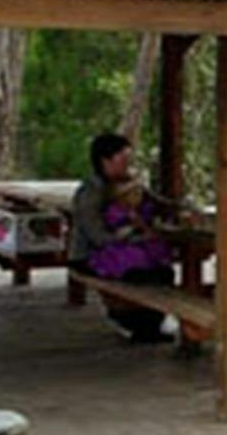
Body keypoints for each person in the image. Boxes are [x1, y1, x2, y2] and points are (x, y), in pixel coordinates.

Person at [69, 132, 177, 344]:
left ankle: (148, 326)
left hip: (124, 248)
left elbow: (159, 203)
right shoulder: (91, 192)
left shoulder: (127, 183)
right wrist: (133, 235)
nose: (128, 165)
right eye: (123, 160)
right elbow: (97, 237)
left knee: (163, 271)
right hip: (92, 255)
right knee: (143, 275)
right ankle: (131, 322)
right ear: (105, 161)